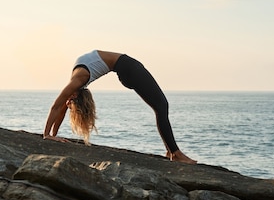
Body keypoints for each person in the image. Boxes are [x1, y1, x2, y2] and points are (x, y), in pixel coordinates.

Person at [43, 50, 197, 164]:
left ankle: (171, 151)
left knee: (160, 107)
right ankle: (175, 153)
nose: (67, 102)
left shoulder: (77, 81)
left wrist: (48, 134)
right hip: (128, 68)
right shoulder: (77, 82)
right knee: (162, 106)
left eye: (69, 102)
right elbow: (60, 108)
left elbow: (57, 107)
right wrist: (51, 135)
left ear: (74, 96)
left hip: (127, 69)